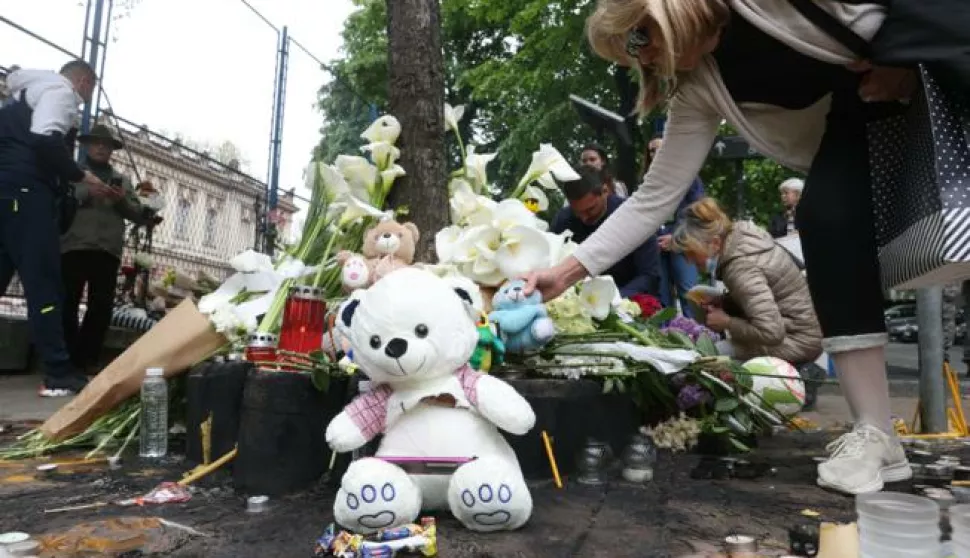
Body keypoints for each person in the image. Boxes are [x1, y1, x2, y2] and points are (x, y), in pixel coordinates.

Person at [524, 0, 926, 495]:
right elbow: (652, 200)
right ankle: (876, 433)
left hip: (932, 73)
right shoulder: (699, 89)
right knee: (826, 217)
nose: (643, 62)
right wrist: (561, 276)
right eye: (630, 57)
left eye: (637, 40)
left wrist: (903, 56)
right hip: (861, 117)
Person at [0, 60, 119, 396]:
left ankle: (57, 367)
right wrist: (81, 176)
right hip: (28, 193)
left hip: (6, 190)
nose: (86, 98)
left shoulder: (22, 94)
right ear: (83, 81)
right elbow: (45, 139)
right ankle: (57, 373)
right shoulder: (60, 91)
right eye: (90, 89)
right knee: (45, 284)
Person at [672, 198, 822, 364]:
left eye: (692, 253)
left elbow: (771, 332)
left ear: (714, 243)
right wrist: (723, 301)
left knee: (709, 357)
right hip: (797, 330)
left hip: (798, 342)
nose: (689, 261)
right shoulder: (739, 238)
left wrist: (727, 322)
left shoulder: (740, 268)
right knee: (701, 293)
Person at [61, 124, 159, 375]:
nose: (101, 147)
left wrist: (120, 200)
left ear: (112, 150)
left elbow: (138, 214)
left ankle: (88, 358)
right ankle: (65, 358)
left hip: (107, 250)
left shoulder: (123, 180)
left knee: (101, 307)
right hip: (74, 245)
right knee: (67, 303)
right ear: (87, 145)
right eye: (96, 143)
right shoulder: (74, 172)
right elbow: (60, 199)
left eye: (106, 145)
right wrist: (87, 190)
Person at [551, 166, 659, 298]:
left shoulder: (634, 217)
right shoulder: (564, 220)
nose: (584, 218)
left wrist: (614, 299)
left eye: (590, 210)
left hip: (626, 298)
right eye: (577, 212)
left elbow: (649, 275)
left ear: (605, 191)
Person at [647, 135, 704, 317]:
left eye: (660, 149)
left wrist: (676, 238)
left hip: (682, 245)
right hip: (657, 247)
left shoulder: (688, 176)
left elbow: (699, 212)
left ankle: (699, 341)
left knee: (690, 295)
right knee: (662, 300)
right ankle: (669, 340)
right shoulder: (647, 182)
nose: (656, 153)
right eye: (651, 150)